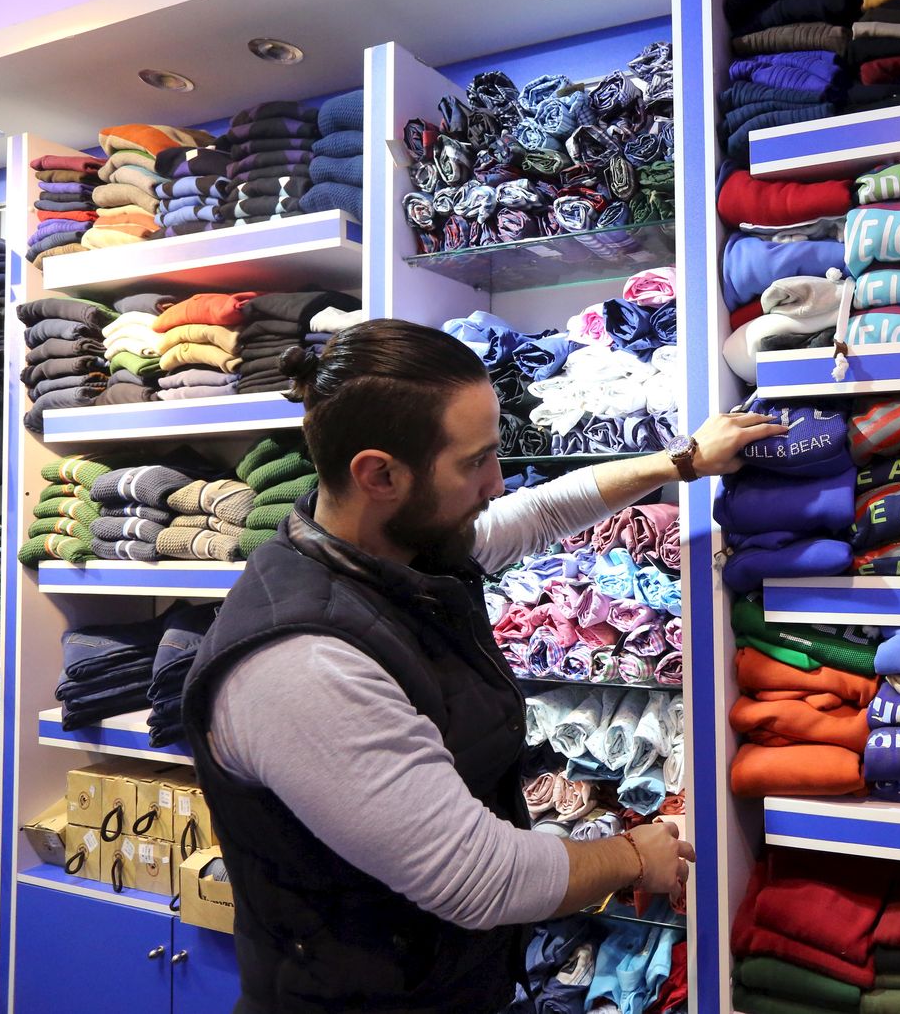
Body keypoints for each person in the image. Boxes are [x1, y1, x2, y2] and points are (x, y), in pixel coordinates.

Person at [183, 318, 785, 1013]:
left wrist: (683, 462)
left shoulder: (399, 552)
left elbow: (541, 510)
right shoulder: (303, 664)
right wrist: (632, 854)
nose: (497, 481)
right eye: (474, 462)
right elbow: (479, 875)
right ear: (379, 474)